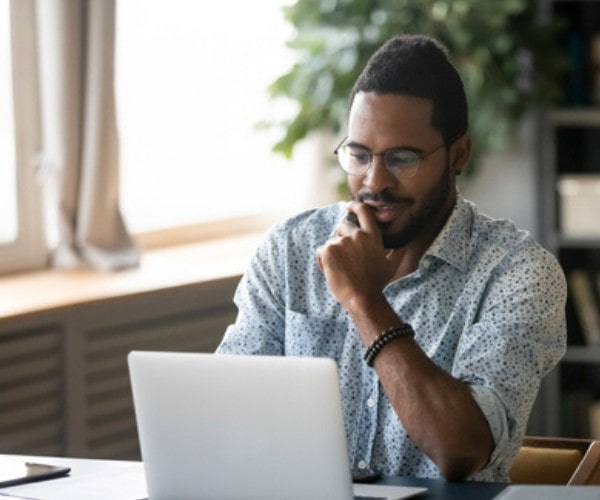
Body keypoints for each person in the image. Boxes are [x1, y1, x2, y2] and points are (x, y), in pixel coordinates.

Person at [216, 34, 566, 482]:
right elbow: (226, 415)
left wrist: (364, 301)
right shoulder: (290, 250)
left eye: (402, 158)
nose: (374, 180)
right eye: (359, 155)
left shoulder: (518, 273)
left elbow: (462, 450)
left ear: (458, 155)